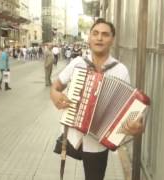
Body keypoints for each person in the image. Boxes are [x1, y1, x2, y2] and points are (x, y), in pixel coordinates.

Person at [50, 18, 145, 180]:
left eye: (105, 34)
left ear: (112, 40)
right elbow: (55, 87)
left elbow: (129, 108)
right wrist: (56, 96)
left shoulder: (120, 70)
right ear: (89, 38)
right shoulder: (78, 63)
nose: (99, 38)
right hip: (72, 134)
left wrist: (137, 126)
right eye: (95, 33)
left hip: (97, 143)